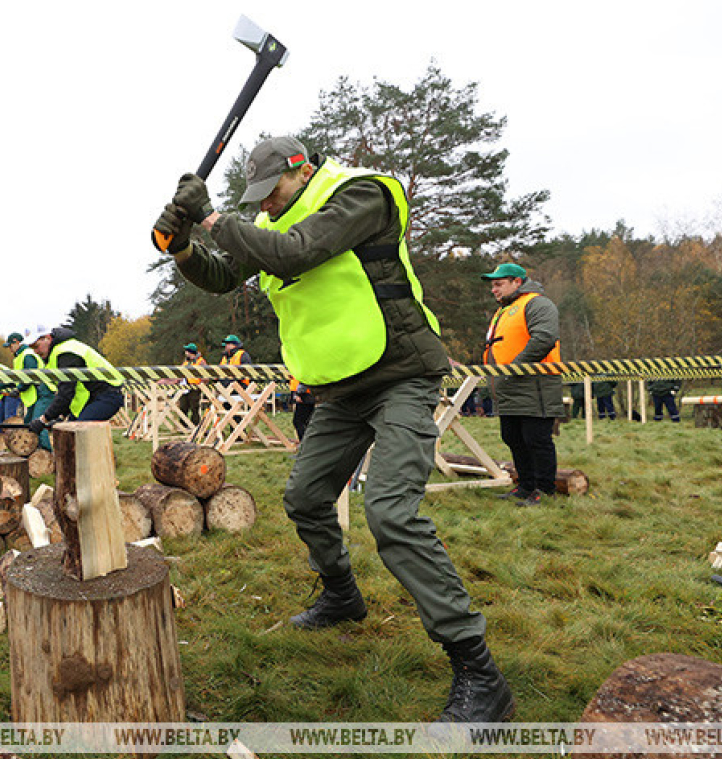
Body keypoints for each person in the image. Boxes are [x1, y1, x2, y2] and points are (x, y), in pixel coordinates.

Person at [154, 135, 513, 723]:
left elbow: (298, 252)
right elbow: (222, 277)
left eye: (271, 193)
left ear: (299, 168)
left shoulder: (360, 194)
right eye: (257, 200)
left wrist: (212, 215)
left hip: (401, 374)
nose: (265, 206)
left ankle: (479, 670)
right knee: (304, 498)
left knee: (391, 514)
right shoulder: (278, 218)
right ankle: (343, 596)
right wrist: (184, 248)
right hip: (342, 389)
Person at [480, 262, 563, 507]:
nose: (493, 290)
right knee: (513, 437)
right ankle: (526, 485)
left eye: (499, 284)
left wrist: (515, 368)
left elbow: (545, 338)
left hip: (534, 385)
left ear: (517, 282)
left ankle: (544, 491)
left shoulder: (537, 304)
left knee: (536, 439)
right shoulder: (503, 311)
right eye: (492, 285)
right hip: (509, 387)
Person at [26, 327, 124, 438]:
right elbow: (74, 390)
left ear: (47, 338)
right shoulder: (60, 352)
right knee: (69, 436)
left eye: (36, 346)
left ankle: (100, 455)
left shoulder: (66, 353)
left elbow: (65, 394)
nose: (35, 351)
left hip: (107, 395)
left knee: (80, 434)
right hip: (92, 397)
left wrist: (43, 420)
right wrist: (61, 416)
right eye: (32, 348)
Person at [6, 332, 54, 450]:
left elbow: (30, 377)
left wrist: (19, 389)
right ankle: (32, 450)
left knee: (38, 423)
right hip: (37, 393)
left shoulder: (27, 355)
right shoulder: (20, 357)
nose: (9, 349)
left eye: (10, 346)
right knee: (28, 422)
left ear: (16, 343)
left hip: (44, 391)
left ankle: (46, 452)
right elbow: (17, 378)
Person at [179, 343, 207, 424]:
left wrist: (202, 384)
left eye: (187, 351)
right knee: (183, 406)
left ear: (190, 352)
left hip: (195, 387)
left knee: (194, 407)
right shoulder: (186, 362)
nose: (185, 353)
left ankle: (195, 424)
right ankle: (183, 425)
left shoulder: (200, 361)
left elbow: (205, 375)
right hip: (185, 387)